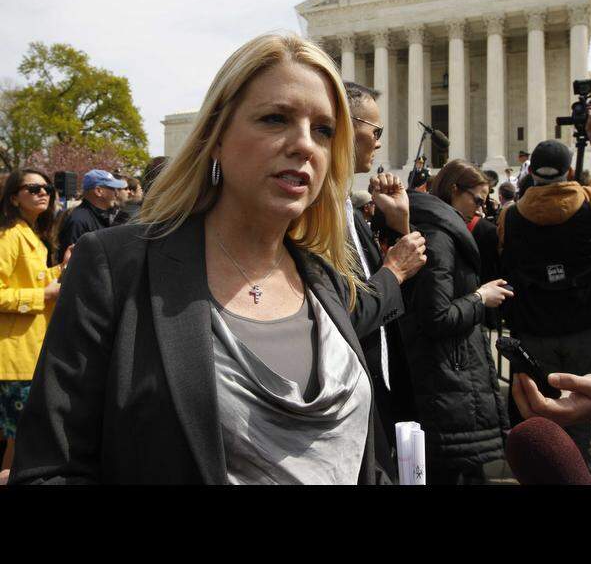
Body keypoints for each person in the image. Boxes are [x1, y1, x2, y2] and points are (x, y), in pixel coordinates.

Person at [8, 32, 428, 485]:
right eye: (275, 118)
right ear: (215, 136)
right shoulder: (118, 267)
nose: (305, 144)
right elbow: (50, 469)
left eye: (323, 130)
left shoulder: (323, 278)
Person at [498, 106, 591, 482]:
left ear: (531, 173)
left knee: (544, 413)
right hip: (587, 326)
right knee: (590, 411)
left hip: (535, 331)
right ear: (570, 172)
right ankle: (586, 475)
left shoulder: (510, 216)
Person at [399, 159, 513, 484]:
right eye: (476, 200)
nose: (479, 211)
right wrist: (481, 298)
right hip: (447, 378)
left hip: (454, 375)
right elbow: (436, 316)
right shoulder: (439, 236)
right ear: (453, 191)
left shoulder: (445, 230)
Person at [343, 81, 418, 462]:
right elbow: (344, 317)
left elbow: (400, 302)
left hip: (382, 398)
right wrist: (393, 271)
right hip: (350, 410)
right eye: (375, 130)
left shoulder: (351, 214)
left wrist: (398, 223)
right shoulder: (314, 220)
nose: (378, 142)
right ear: (344, 123)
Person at [0, 169, 74, 485]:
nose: (43, 192)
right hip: (13, 356)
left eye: (46, 187)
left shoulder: (28, 234)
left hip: (29, 350)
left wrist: (61, 269)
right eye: (32, 188)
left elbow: (33, 278)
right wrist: (43, 295)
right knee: (21, 438)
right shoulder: (9, 236)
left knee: (18, 438)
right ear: (14, 197)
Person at [54, 169, 127, 263]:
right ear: (98, 191)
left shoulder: (101, 216)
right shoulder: (79, 221)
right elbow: (72, 264)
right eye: (113, 189)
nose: (116, 194)